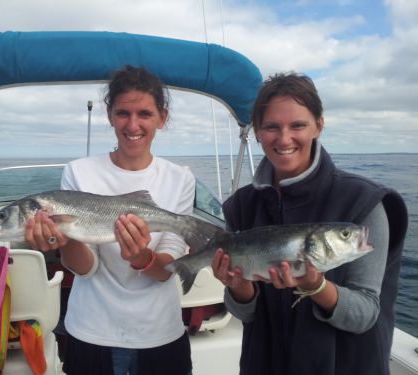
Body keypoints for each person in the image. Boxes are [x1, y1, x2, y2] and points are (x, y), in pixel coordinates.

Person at [211, 72, 408, 375]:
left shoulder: (364, 202)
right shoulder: (241, 205)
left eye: (298, 125)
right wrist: (239, 287)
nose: (285, 138)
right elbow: (244, 314)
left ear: (319, 124)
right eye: (272, 127)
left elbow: (366, 314)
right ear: (258, 131)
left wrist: (316, 286)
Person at [25, 65, 193, 375]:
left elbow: (166, 271)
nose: (133, 125)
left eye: (144, 113)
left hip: (161, 331)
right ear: (109, 114)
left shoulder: (180, 178)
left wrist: (143, 258)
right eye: (122, 114)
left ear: (162, 117)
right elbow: (86, 268)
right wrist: (65, 239)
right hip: (92, 330)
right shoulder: (78, 172)